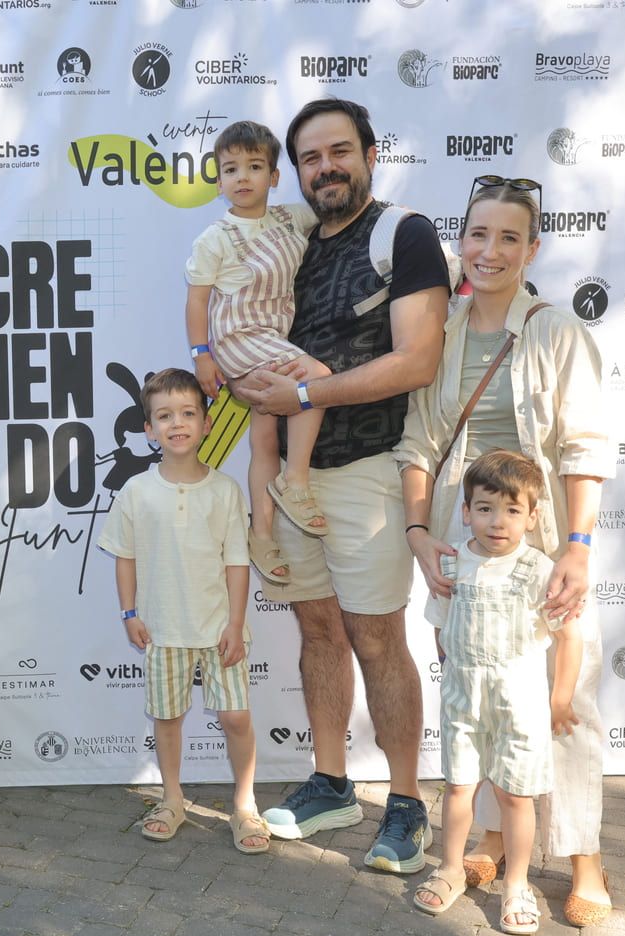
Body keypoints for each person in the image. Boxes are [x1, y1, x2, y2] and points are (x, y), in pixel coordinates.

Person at [239, 99, 451, 874]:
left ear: (369, 152)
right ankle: (330, 784)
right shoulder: (288, 243)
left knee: (377, 638)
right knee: (318, 633)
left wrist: (300, 398)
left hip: (370, 472)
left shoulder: (406, 233)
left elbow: (416, 360)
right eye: (309, 158)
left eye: (339, 151)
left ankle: (405, 805)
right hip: (296, 483)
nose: (325, 167)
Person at [395, 175, 614, 926]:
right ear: (463, 241)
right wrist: (421, 533)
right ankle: (492, 834)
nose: (490, 251)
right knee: (478, 689)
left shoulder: (556, 330)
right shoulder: (442, 331)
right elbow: (419, 442)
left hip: (545, 536)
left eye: (509, 237)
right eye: (478, 234)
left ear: (532, 248)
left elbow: (586, 447)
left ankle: (584, 857)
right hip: (462, 538)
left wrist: (577, 547)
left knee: (564, 699)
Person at [97, 368, 269, 854]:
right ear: (149, 429)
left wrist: (236, 624)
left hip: (219, 631)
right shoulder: (135, 492)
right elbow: (124, 556)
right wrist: (129, 612)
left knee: (236, 717)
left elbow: (237, 562)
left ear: (207, 423)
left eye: (188, 413)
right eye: (164, 416)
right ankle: (172, 798)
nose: (177, 423)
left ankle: (244, 804)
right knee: (167, 718)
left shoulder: (226, 491)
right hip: (162, 631)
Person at [410, 451, 581, 936]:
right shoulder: (452, 562)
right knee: (459, 786)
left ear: (532, 517)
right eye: (484, 508)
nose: (497, 521)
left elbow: (569, 636)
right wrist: (451, 675)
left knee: (513, 794)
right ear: (466, 512)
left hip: (520, 702)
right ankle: (448, 868)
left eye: (511, 510)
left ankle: (517, 884)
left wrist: (560, 699)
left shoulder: (539, 570)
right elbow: (441, 628)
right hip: (463, 699)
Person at [184, 120, 334, 582]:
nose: (242, 178)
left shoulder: (292, 218)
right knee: (318, 377)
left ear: (273, 176)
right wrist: (201, 355)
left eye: (254, 167)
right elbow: (197, 301)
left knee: (265, 439)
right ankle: (297, 483)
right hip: (238, 337)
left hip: (273, 337)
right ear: (218, 180)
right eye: (230, 169)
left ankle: (262, 535)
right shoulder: (214, 238)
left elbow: (346, 213)